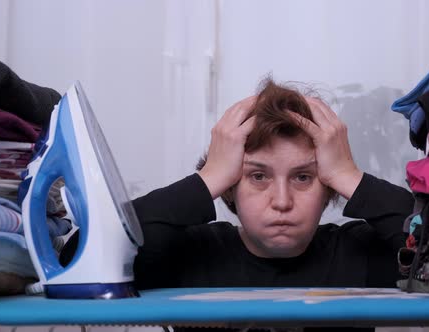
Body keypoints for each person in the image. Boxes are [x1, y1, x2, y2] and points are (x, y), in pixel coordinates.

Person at [133, 79, 413, 292]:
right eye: (258, 176)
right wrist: (210, 177)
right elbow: (113, 245)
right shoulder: (191, 253)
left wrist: (347, 174)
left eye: (303, 177)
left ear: (329, 184)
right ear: (229, 185)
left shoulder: (358, 252)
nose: (282, 202)